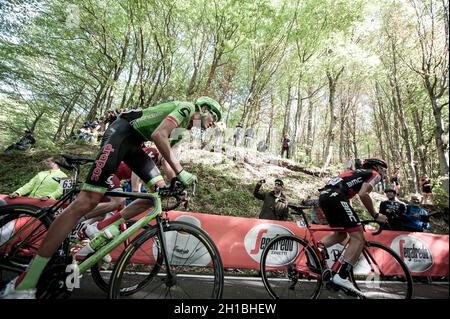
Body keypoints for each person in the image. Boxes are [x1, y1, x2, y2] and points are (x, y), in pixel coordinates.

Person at [0, 96, 222, 299]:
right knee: (87, 201)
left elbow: (167, 158)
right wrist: (182, 173)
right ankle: (24, 283)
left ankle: (101, 227)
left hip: (135, 146)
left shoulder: (182, 130)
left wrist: (177, 183)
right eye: (214, 117)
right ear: (203, 109)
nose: (214, 123)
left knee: (155, 195)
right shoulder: (186, 108)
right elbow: (158, 135)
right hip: (120, 134)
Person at [317, 158, 388, 296]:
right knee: (358, 238)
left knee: (341, 234)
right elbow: (363, 194)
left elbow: (348, 198)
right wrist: (375, 214)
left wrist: (355, 220)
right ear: (376, 167)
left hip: (325, 196)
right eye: (384, 169)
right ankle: (342, 276)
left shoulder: (356, 172)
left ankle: (315, 250)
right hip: (336, 197)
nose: (384, 173)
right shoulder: (374, 174)